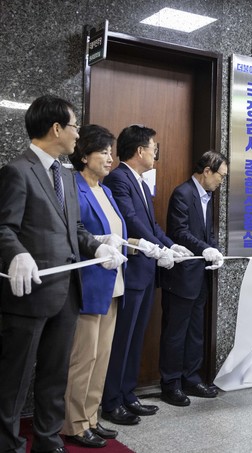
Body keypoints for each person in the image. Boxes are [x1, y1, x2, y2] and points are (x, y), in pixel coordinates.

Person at [0, 96, 126, 453]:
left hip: (67, 293)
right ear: (56, 128)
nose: (77, 135)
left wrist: (97, 247)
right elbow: (4, 227)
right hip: (30, 294)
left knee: (55, 374)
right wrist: (17, 253)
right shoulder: (17, 171)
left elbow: (76, 228)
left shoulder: (67, 176)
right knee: (15, 378)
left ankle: (48, 439)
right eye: (74, 127)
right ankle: (8, 444)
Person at [101, 125, 193, 425]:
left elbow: (151, 225)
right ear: (140, 150)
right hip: (131, 271)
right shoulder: (118, 178)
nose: (156, 153)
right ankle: (111, 401)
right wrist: (158, 248)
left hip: (146, 271)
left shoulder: (139, 181)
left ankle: (128, 395)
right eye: (154, 148)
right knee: (122, 339)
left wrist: (170, 245)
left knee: (135, 337)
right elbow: (130, 220)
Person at [62, 125, 129, 448]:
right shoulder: (73, 188)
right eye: (103, 152)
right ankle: (74, 423)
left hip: (113, 284)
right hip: (88, 286)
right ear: (84, 155)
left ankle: (91, 417)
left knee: (101, 357)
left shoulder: (106, 190)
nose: (110, 158)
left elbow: (117, 234)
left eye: (110, 152)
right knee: (83, 358)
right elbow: (75, 234)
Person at [158, 151, 227, 406]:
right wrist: (204, 249)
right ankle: (171, 384)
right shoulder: (183, 193)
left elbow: (208, 233)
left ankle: (191, 378)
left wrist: (215, 249)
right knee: (175, 333)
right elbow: (180, 232)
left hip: (200, 277)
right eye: (220, 175)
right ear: (207, 171)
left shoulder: (208, 196)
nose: (221, 181)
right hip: (181, 277)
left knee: (196, 331)